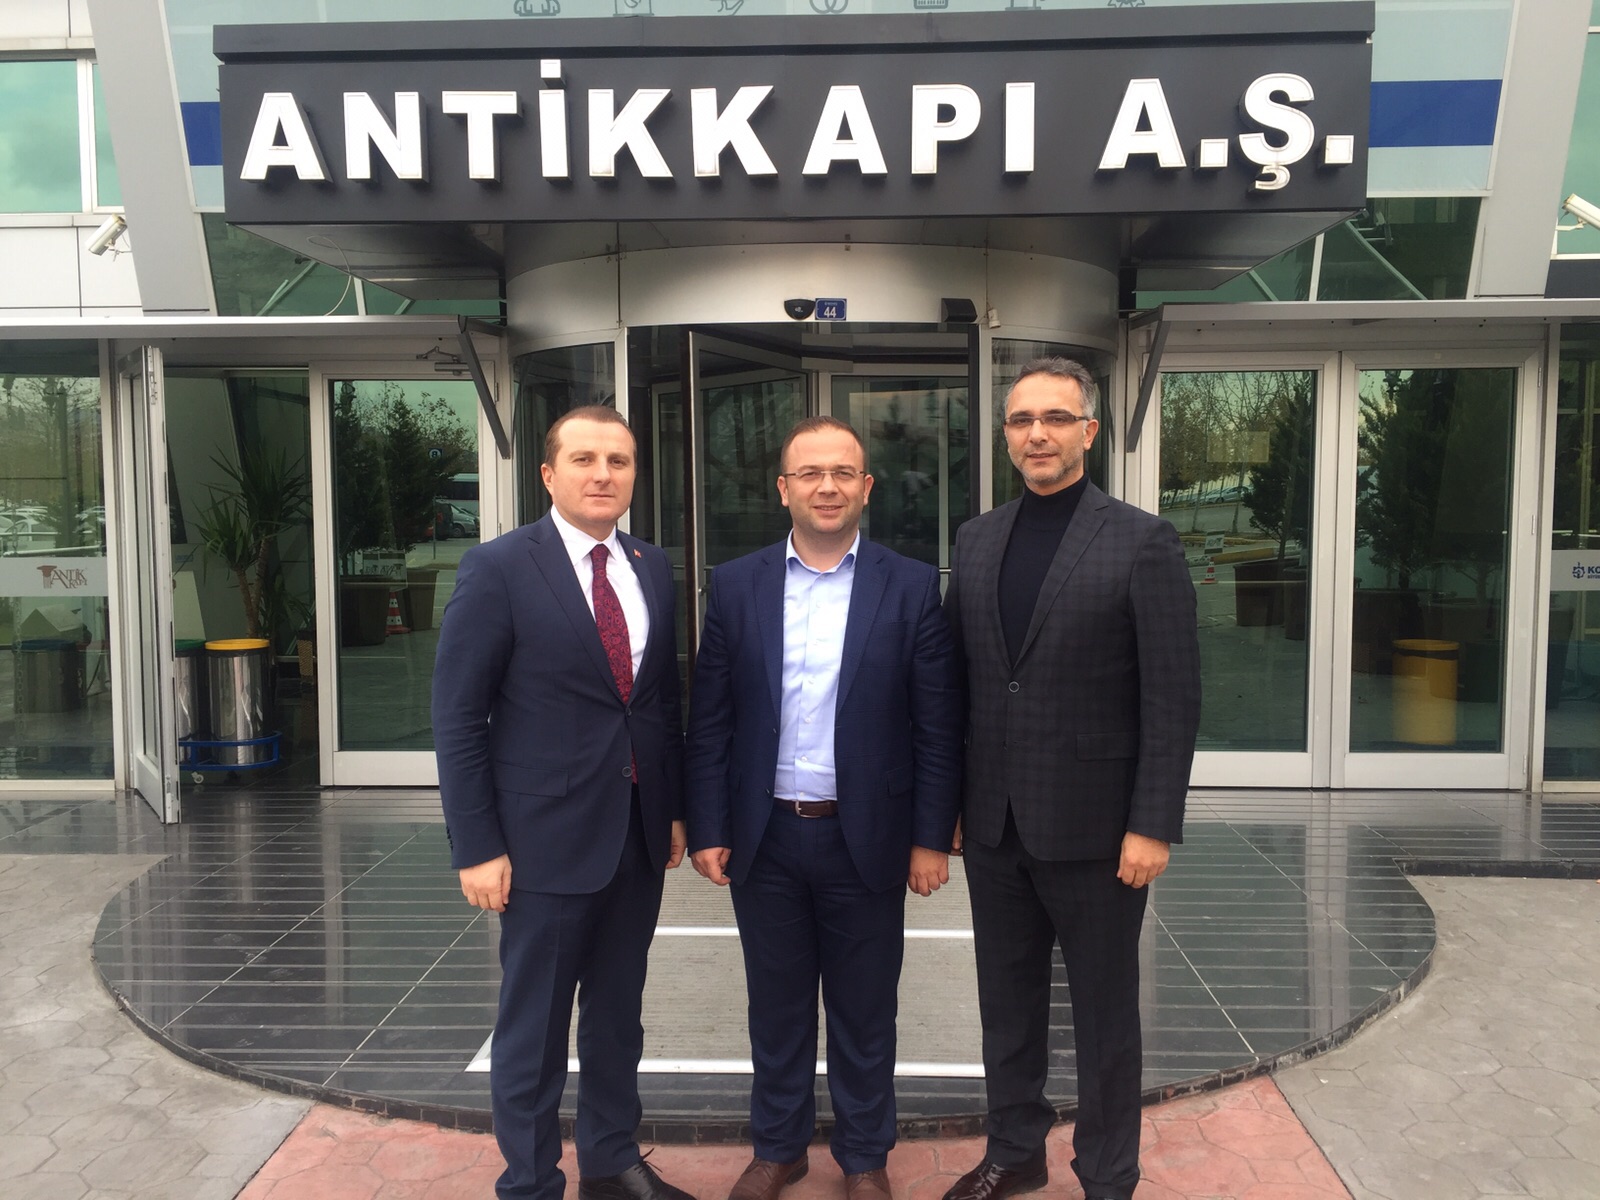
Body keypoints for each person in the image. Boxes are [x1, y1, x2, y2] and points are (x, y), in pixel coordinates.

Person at [940, 359, 1201, 1200]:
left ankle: (1107, 1176)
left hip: (1098, 832)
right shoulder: (977, 539)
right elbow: (961, 683)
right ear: (1006, 435)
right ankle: (1015, 1152)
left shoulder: (1142, 540)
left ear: (1088, 431)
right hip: (995, 826)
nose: (1038, 434)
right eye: (1022, 420)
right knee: (1006, 1007)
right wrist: (948, 807)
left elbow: (1172, 695)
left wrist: (1152, 823)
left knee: (1104, 1016)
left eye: (1056, 418)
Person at [686, 416, 964, 1200]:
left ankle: (865, 1156)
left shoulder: (911, 586)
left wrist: (930, 838)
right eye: (810, 473)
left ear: (866, 487)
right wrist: (707, 825)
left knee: (865, 1011)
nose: (828, 486)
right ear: (784, 489)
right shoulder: (735, 585)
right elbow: (710, 721)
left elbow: (936, 726)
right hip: (765, 837)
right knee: (775, 1009)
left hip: (865, 838)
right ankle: (778, 1148)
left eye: (844, 472)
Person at [432, 405, 694, 1200]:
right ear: (548, 475)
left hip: (635, 839)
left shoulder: (652, 566)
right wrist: (477, 845)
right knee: (535, 1031)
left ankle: (611, 1163)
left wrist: (672, 807)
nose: (602, 474)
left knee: (617, 1018)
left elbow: (657, 703)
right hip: (540, 845)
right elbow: (457, 716)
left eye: (618, 460)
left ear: (635, 474)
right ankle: (530, 1182)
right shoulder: (499, 568)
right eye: (584, 459)